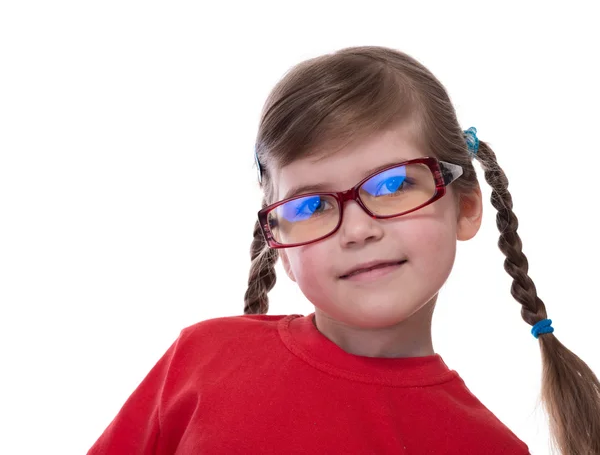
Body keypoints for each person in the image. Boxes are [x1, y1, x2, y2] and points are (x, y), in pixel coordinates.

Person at [87, 46, 600, 454]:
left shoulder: (488, 449)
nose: (355, 230)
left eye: (394, 183)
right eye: (310, 206)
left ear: (465, 206)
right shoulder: (200, 358)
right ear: (280, 248)